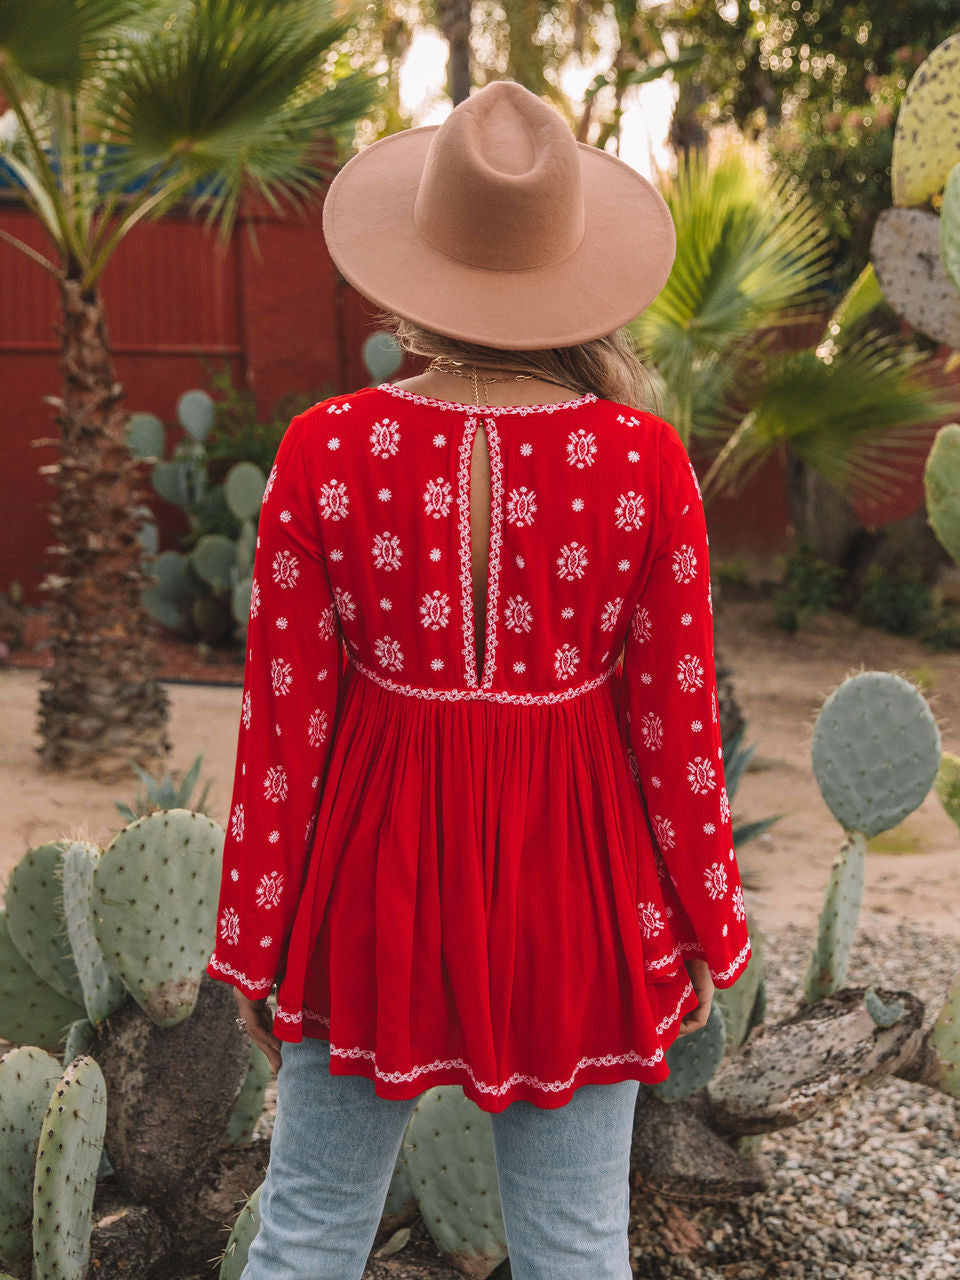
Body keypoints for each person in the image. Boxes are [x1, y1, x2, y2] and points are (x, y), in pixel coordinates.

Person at [207, 78, 752, 1280]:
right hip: (578, 889)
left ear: (421, 257)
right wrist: (708, 920)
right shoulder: (644, 463)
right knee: (573, 1249)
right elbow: (676, 727)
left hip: (368, 888)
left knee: (303, 1235)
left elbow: (283, 730)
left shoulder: (323, 446)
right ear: (571, 268)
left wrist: (253, 939)